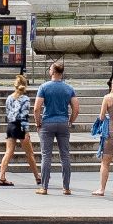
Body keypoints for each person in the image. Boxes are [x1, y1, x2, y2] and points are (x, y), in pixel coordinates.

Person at [32, 60, 77, 195]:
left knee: (46, 155)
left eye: (50, 69)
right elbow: (76, 109)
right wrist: (70, 121)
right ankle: (66, 187)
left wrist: (38, 123)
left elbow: (36, 108)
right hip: (63, 123)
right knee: (65, 156)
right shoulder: (69, 88)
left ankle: (44, 187)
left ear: (53, 72)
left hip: (48, 123)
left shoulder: (44, 87)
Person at [0, 74, 40, 187]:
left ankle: (1, 176)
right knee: (29, 153)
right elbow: (24, 116)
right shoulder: (25, 99)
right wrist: (26, 131)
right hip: (20, 126)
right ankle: (37, 177)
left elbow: (7, 113)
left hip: (11, 125)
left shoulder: (9, 98)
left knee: (8, 152)